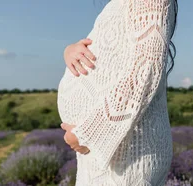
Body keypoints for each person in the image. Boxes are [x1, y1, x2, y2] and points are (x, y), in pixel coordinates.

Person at [56, 0, 178, 185]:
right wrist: (70, 51)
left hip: (127, 152)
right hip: (110, 151)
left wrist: (89, 134)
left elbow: (145, 71)